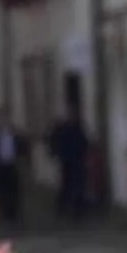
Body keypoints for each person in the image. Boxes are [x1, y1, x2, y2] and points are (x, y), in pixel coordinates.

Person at [48, 88, 91, 221]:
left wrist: (84, 152)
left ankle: (77, 210)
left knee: (77, 184)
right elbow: (54, 141)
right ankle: (64, 207)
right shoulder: (62, 128)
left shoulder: (78, 127)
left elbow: (84, 141)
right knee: (66, 184)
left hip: (76, 159)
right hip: (66, 159)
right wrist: (56, 154)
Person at [0, 114, 23, 222]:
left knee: (14, 189)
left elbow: (23, 148)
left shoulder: (16, 136)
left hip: (12, 164)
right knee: (1, 189)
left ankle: (13, 211)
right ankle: (4, 210)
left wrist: (21, 159)